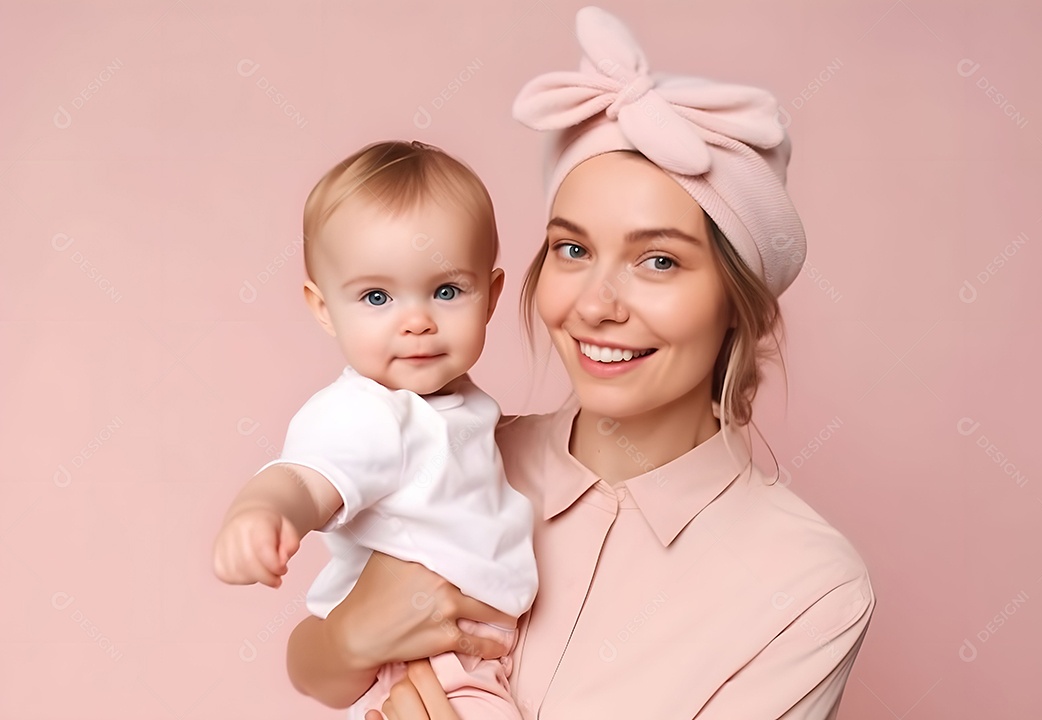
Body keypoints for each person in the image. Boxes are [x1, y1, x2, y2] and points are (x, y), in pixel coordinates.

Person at [285, 7, 876, 719]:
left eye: (658, 260)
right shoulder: (459, 450)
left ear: (735, 299)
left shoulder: (808, 586)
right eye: (572, 249)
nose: (598, 304)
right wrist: (345, 642)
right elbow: (312, 660)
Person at [212, 140, 539, 719]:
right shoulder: (369, 412)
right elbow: (307, 478)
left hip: (468, 653)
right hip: (422, 660)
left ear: (490, 296)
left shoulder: (460, 406)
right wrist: (262, 512)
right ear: (322, 308)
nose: (416, 321)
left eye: (446, 291)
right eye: (377, 296)